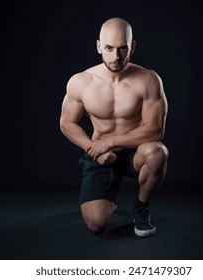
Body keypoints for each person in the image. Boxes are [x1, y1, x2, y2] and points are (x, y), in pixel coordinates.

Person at [59, 17, 168, 237]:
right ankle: (107, 199)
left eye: (122, 49)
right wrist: (93, 149)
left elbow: (155, 130)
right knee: (96, 225)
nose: (116, 56)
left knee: (157, 153)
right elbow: (66, 123)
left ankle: (141, 208)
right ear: (99, 46)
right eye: (109, 48)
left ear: (132, 47)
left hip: (133, 152)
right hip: (99, 154)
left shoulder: (148, 79)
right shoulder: (82, 81)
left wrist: (109, 142)